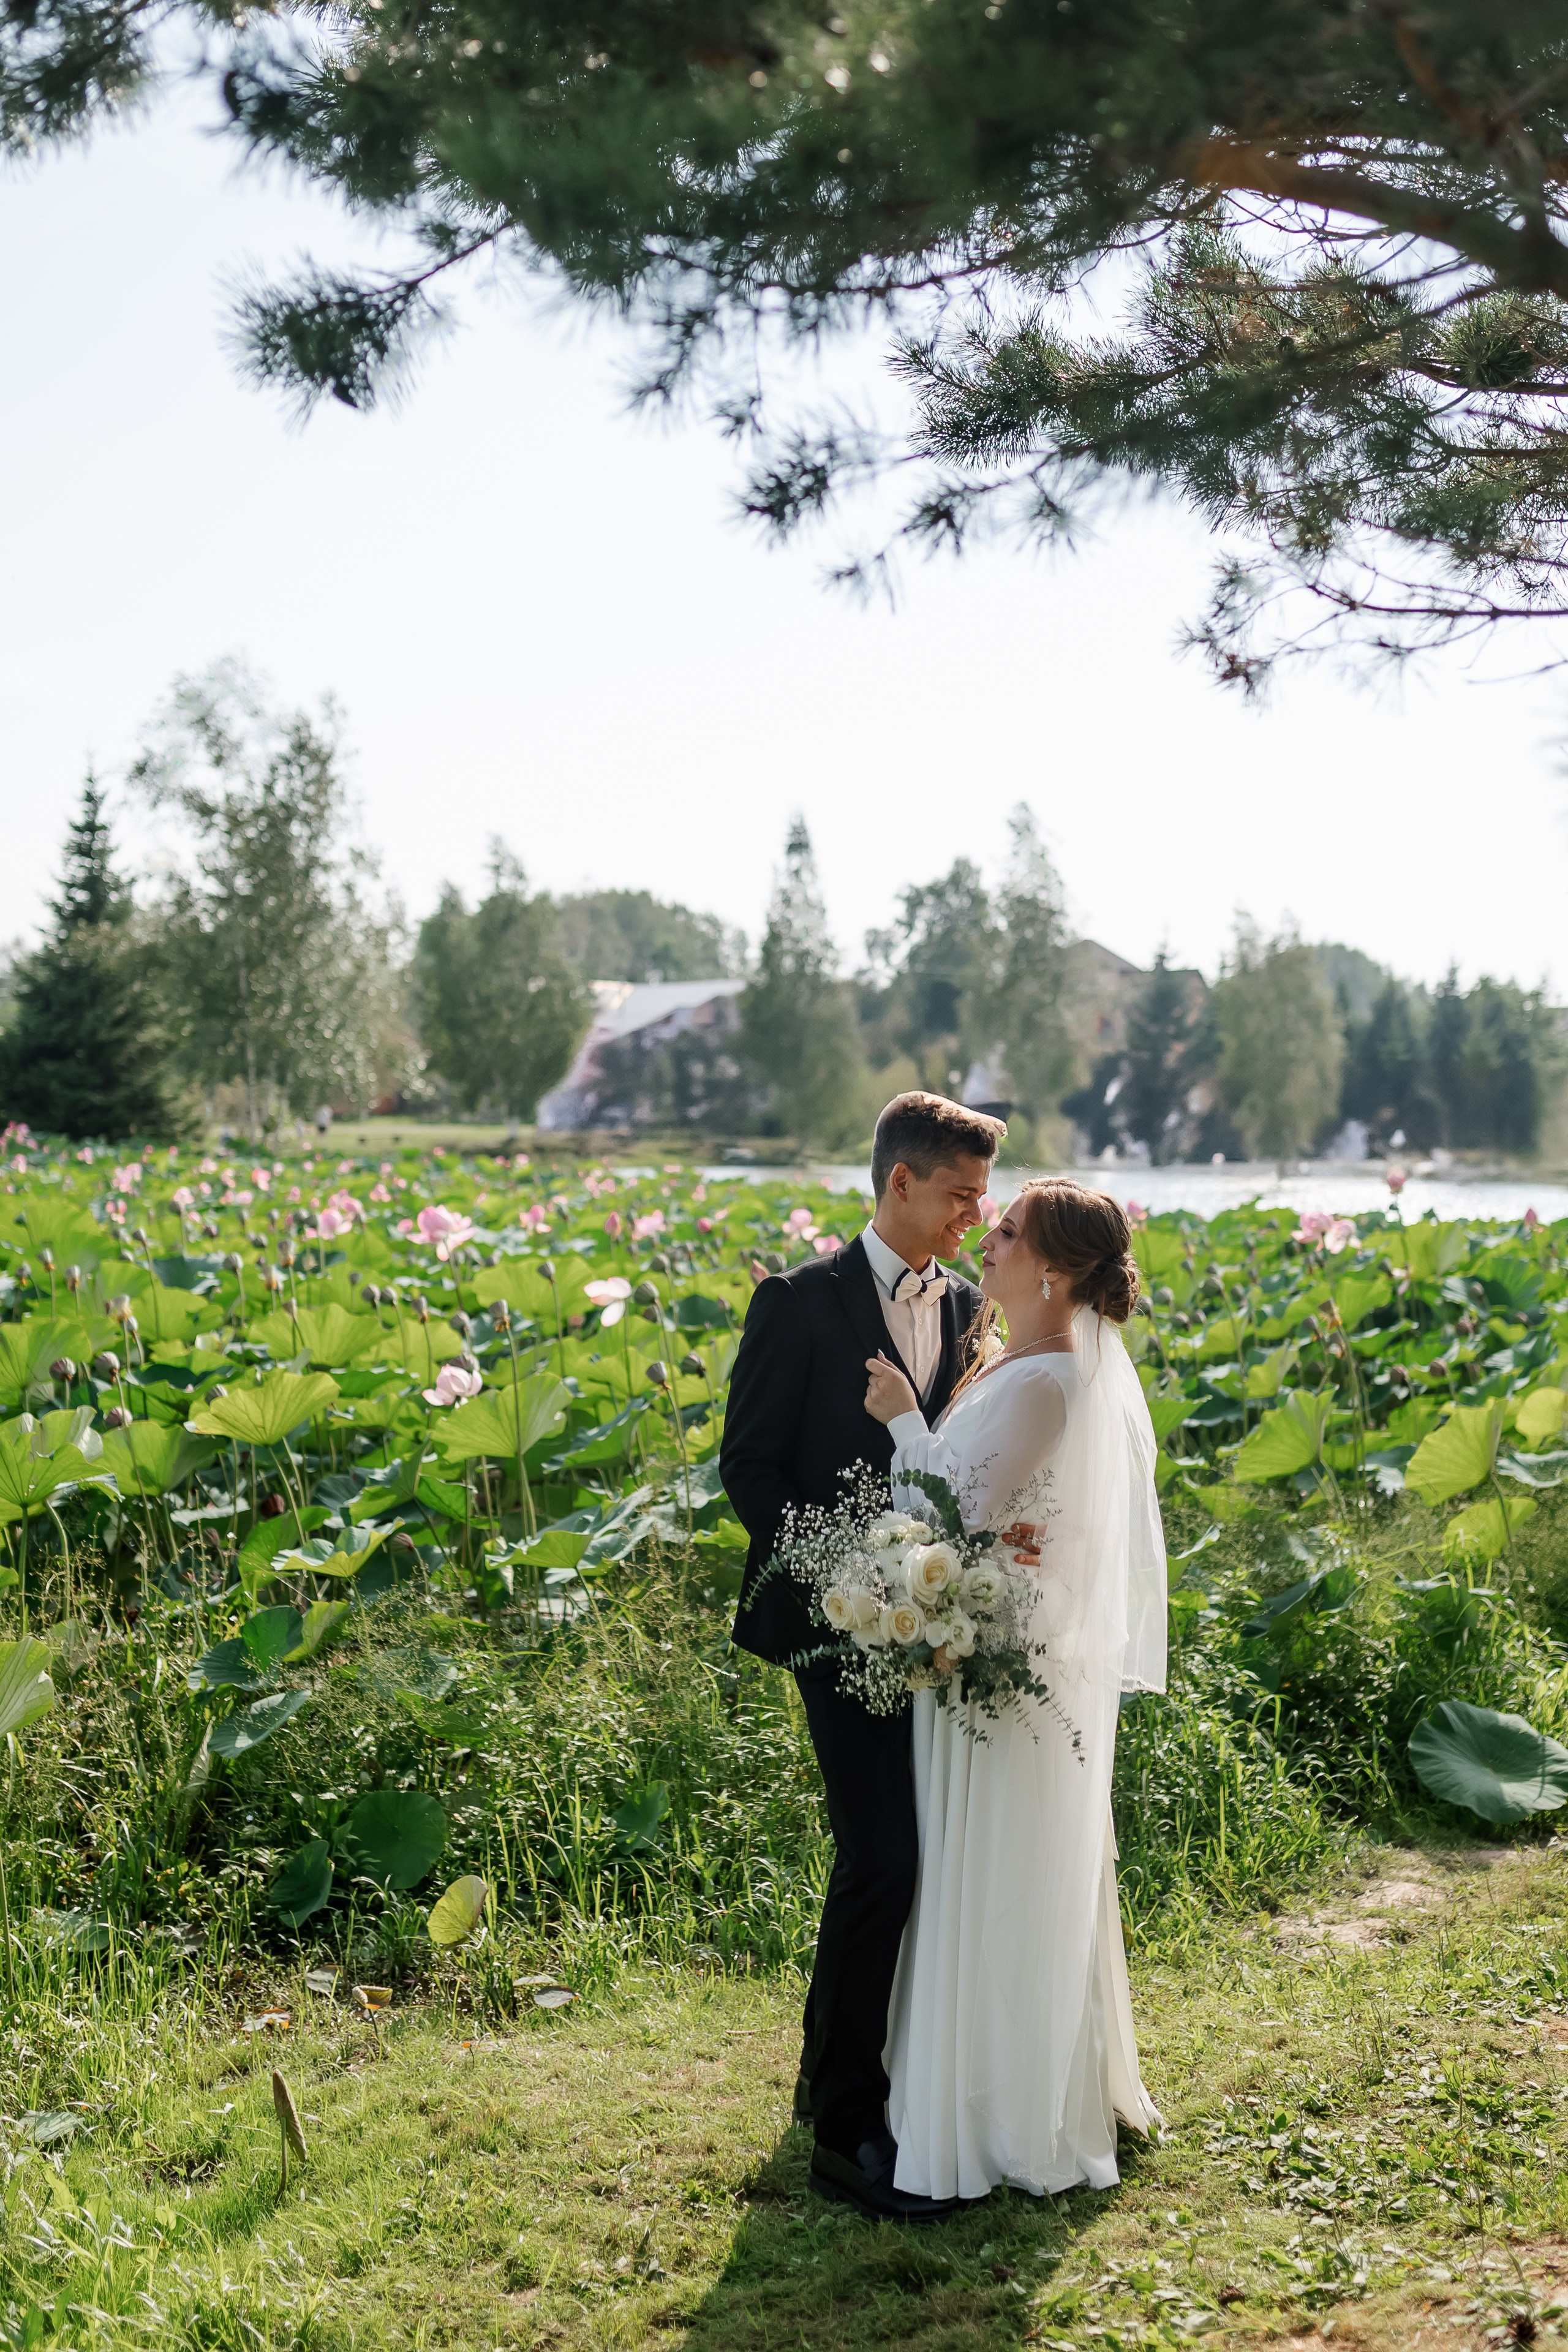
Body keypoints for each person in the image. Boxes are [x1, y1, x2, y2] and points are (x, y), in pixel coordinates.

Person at [721, 1091, 1001, 2222]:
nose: (974, 1221)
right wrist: (850, 1579)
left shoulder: (977, 1307)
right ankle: (844, 2132)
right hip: (839, 1629)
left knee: (927, 1859)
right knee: (881, 1853)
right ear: (900, 1183)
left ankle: (877, 2088)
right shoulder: (795, 1305)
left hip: (946, 1631)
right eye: (959, 1197)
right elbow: (748, 1469)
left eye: (984, 1200)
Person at [864, 1178, 1167, 2203]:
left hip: (1008, 1672)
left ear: (1053, 1269)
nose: (984, 1240)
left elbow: (947, 1505)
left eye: (1006, 1230)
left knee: (995, 1873)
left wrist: (906, 1422)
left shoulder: (1047, 1381)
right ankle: (985, 2086)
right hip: (993, 1651)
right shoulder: (1028, 1362)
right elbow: (995, 1515)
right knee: (987, 1865)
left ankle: (994, 2113)